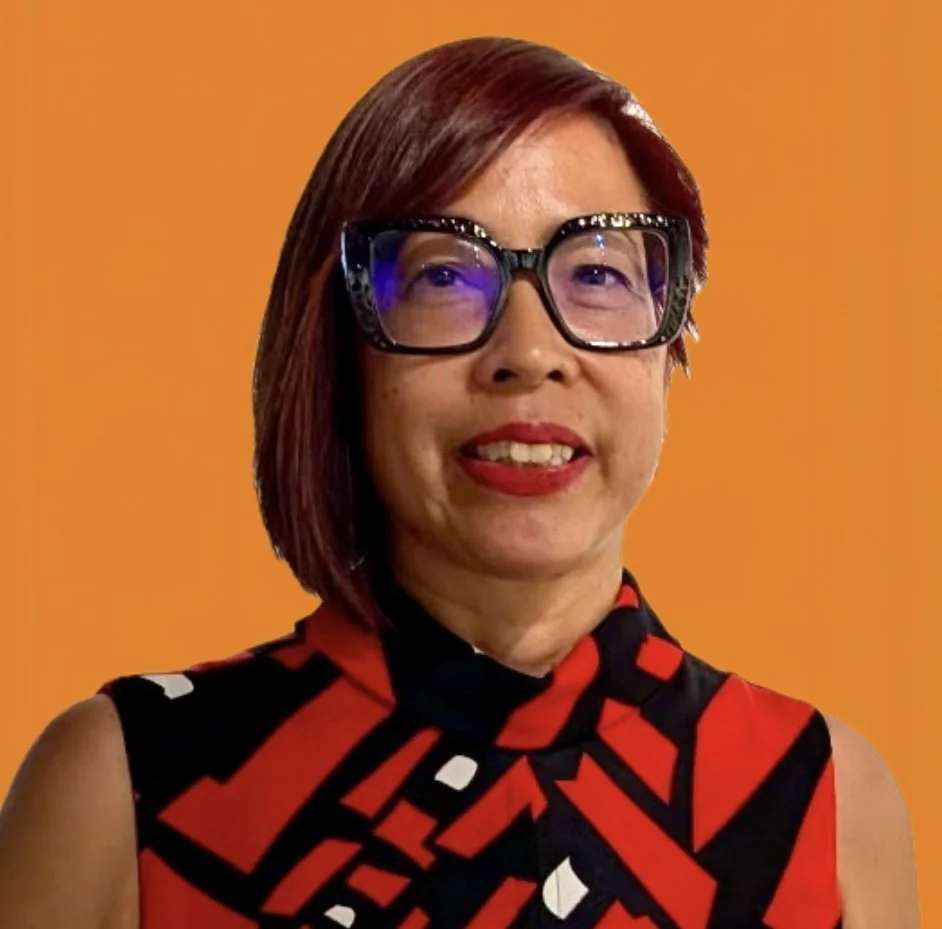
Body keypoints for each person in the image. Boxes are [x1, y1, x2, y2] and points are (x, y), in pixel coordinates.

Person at [0, 36, 920, 929]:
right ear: (341, 349)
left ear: (666, 348)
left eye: (597, 272)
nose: (529, 351)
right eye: (445, 275)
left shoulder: (822, 803)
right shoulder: (128, 788)